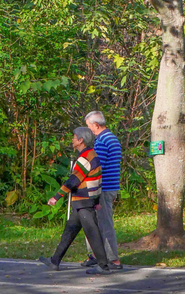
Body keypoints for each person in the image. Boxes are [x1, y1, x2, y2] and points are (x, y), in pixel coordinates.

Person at [38, 127, 113, 274]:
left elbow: (73, 181)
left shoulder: (84, 158)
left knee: (92, 232)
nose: (72, 139)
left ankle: (103, 266)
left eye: (74, 137)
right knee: (70, 230)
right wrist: (96, 201)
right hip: (85, 201)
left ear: (81, 140)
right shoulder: (92, 154)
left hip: (84, 201)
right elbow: (97, 180)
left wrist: (56, 197)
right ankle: (55, 261)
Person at [82, 110, 123, 270]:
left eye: (89, 126)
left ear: (96, 125)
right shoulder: (111, 138)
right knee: (94, 222)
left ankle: (113, 260)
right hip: (109, 186)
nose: (89, 130)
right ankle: (95, 255)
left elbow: (97, 167)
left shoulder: (102, 141)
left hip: (103, 188)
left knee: (104, 224)